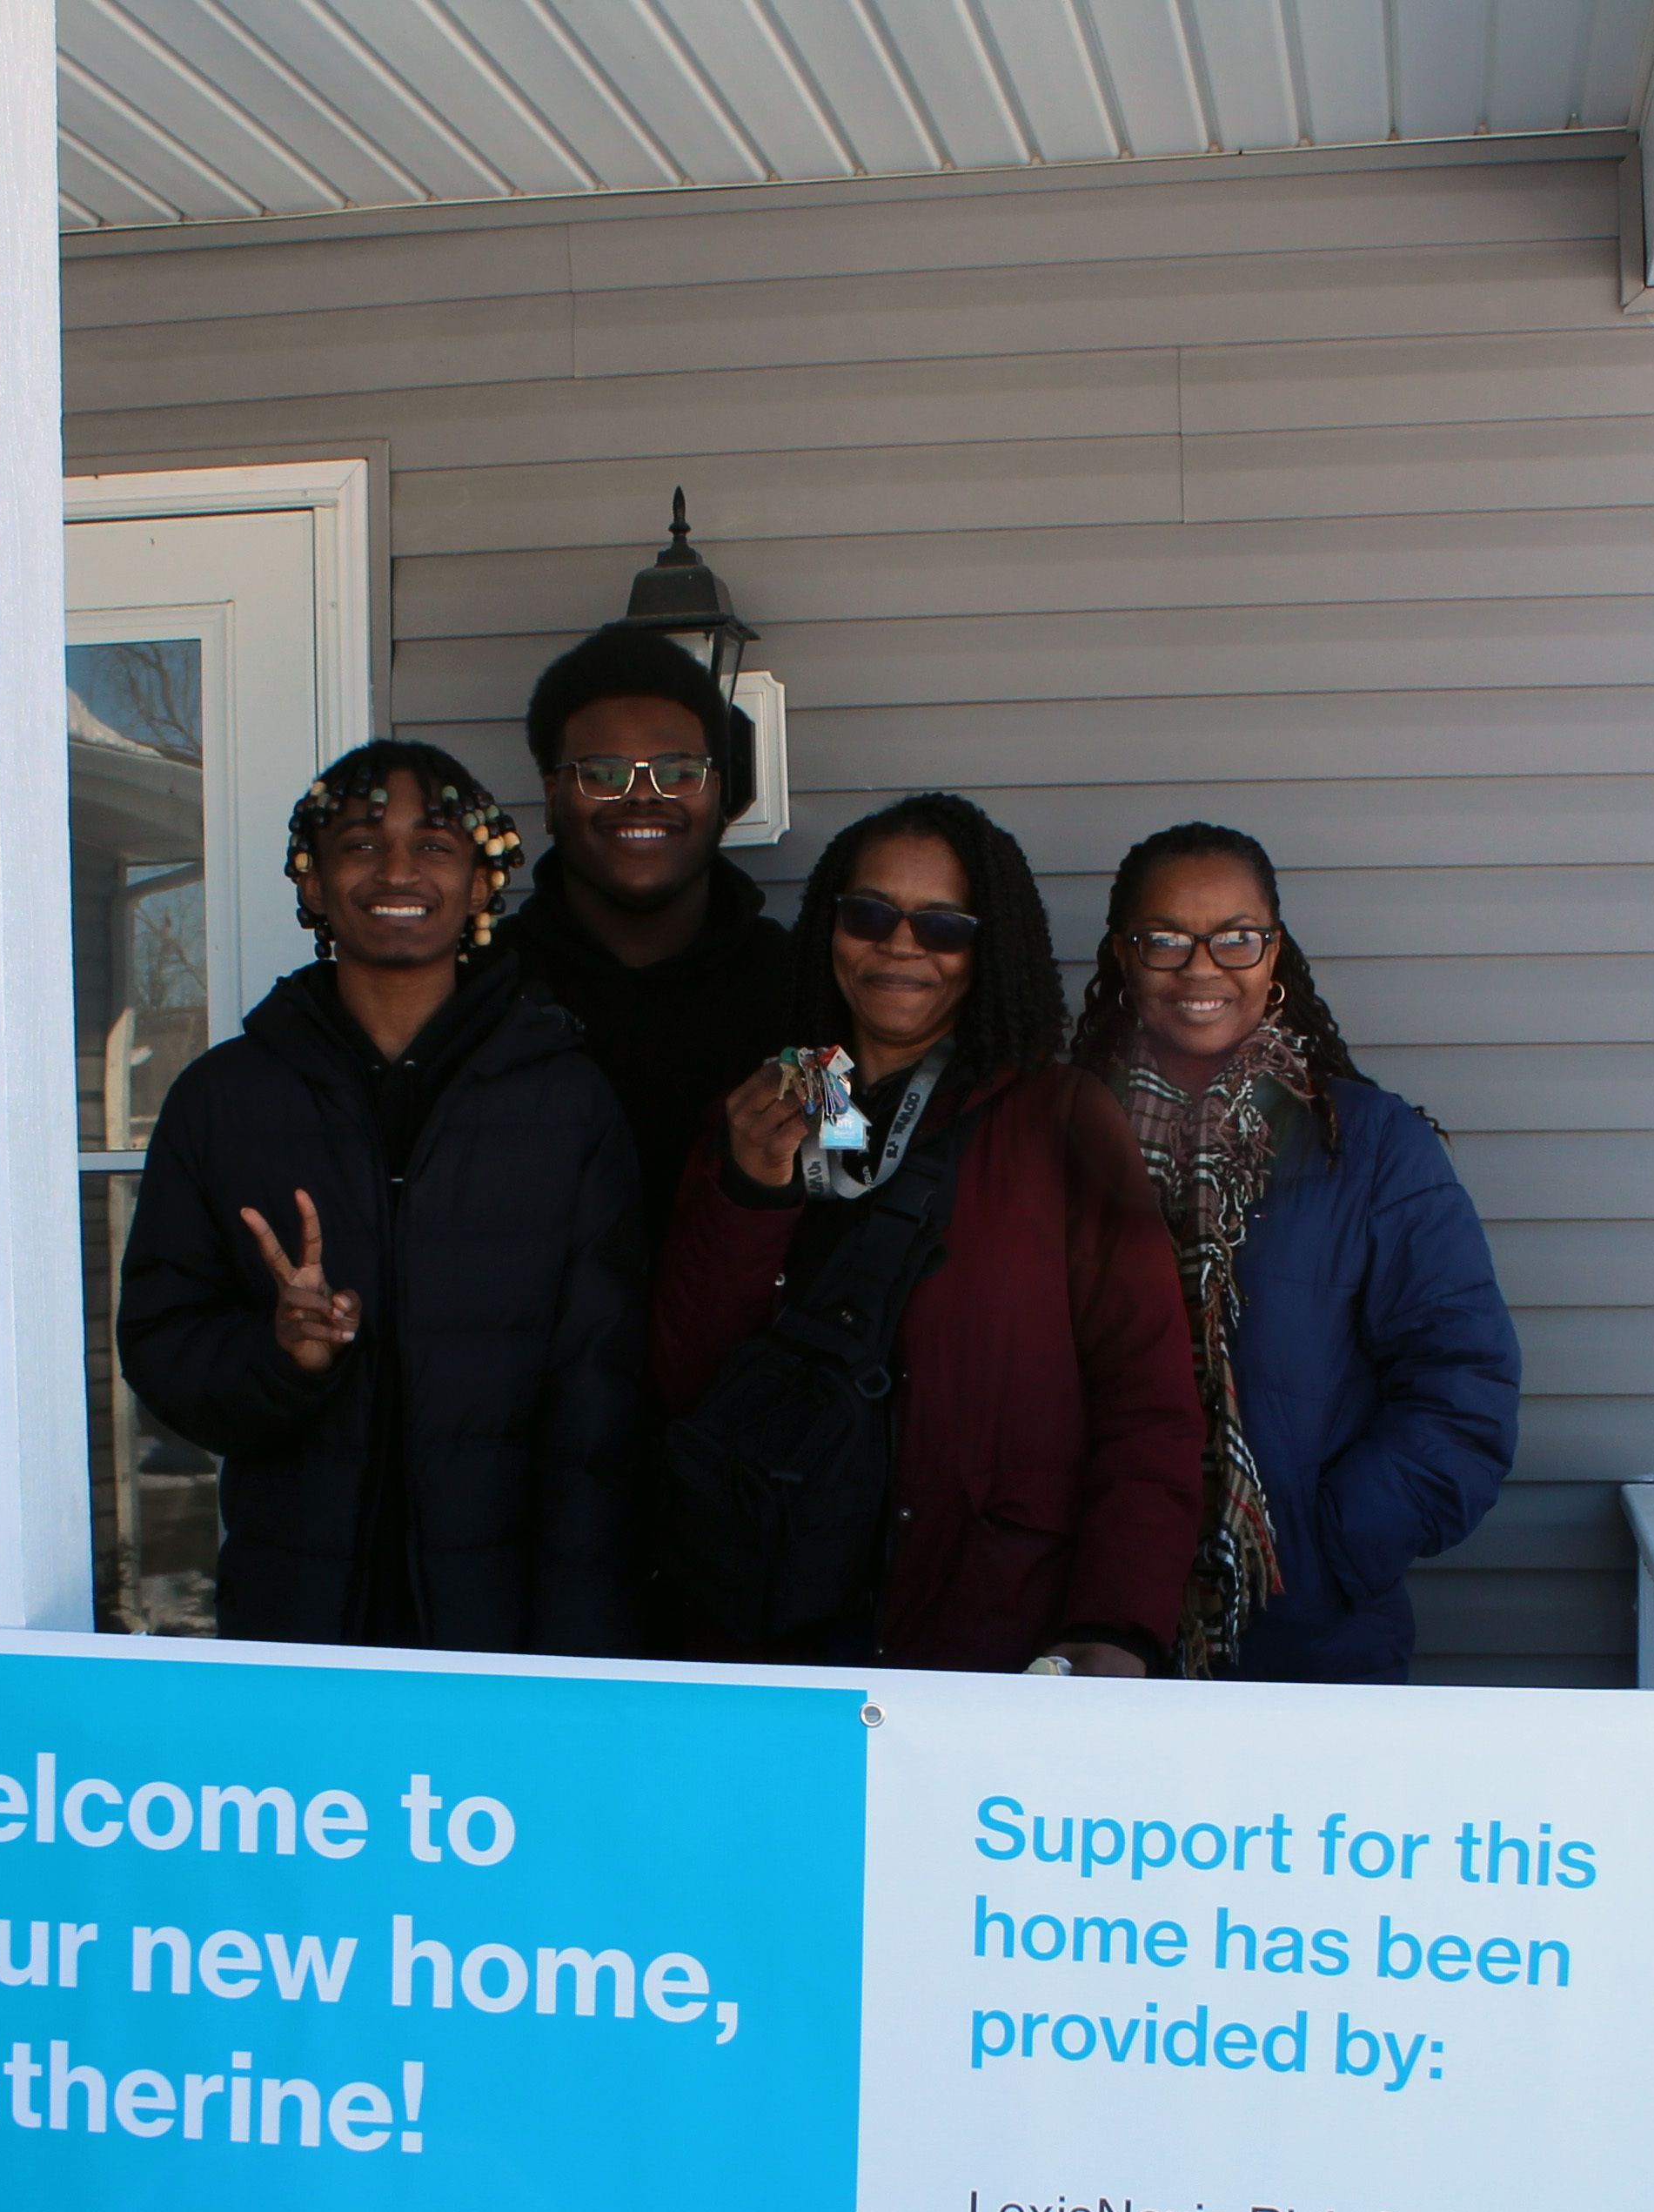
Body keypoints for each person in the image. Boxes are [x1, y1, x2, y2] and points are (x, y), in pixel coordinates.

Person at [113, 741, 643, 1653]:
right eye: (360, 844)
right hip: (297, 1618)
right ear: (313, 883)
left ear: (482, 885)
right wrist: (280, 1357)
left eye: (435, 846)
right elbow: (162, 1344)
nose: (397, 870)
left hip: (511, 1619)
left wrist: (581, 1634)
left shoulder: (564, 1101)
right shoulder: (224, 1099)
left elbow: (604, 1392)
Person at [655, 793, 1202, 1674]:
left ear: (989, 947)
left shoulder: (1057, 1119)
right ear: (830, 929)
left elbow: (1147, 1408)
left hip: (985, 1630)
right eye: (870, 914)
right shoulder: (774, 1100)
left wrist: (1119, 1623)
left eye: (942, 925)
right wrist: (749, 1193)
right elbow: (687, 1380)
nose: (900, 945)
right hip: (772, 1625)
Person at [1070, 824, 1518, 1681]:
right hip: (1089, 1634)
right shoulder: (1061, 1138)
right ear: (1122, 956)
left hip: (1313, 1643)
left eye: (1236, 937)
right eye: (1165, 939)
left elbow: (1463, 1383)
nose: (1202, 968)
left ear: (1275, 953)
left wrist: (1332, 1549)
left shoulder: (1370, 1145)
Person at [499, 623, 798, 1248]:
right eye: (604, 774)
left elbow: (849, 1174)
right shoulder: (487, 989)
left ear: (720, 793)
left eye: (678, 771)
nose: (641, 797)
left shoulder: (796, 983)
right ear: (552, 799)